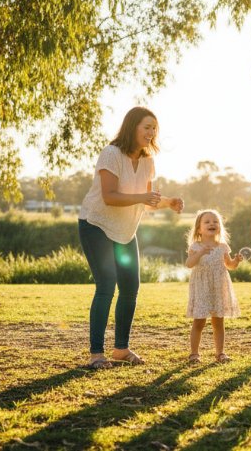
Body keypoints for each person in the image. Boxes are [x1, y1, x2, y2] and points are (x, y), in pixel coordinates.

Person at [78, 106, 184, 369]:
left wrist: (169, 202)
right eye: (146, 127)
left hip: (126, 230)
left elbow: (146, 201)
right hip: (97, 225)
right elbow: (109, 196)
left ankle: (121, 349)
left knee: (130, 288)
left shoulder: (148, 161)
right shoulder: (111, 154)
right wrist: (143, 198)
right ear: (132, 127)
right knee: (106, 285)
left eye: (154, 128)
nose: (151, 132)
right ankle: (96, 354)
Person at [185, 209, 244, 364]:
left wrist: (236, 261)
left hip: (218, 286)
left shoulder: (223, 246)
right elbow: (189, 264)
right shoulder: (196, 246)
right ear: (199, 229)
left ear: (220, 226)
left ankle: (220, 353)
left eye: (215, 221)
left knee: (218, 321)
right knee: (199, 321)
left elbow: (229, 265)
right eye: (207, 222)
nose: (212, 224)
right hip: (202, 288)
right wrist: (200, 253)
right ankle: (194, 354)